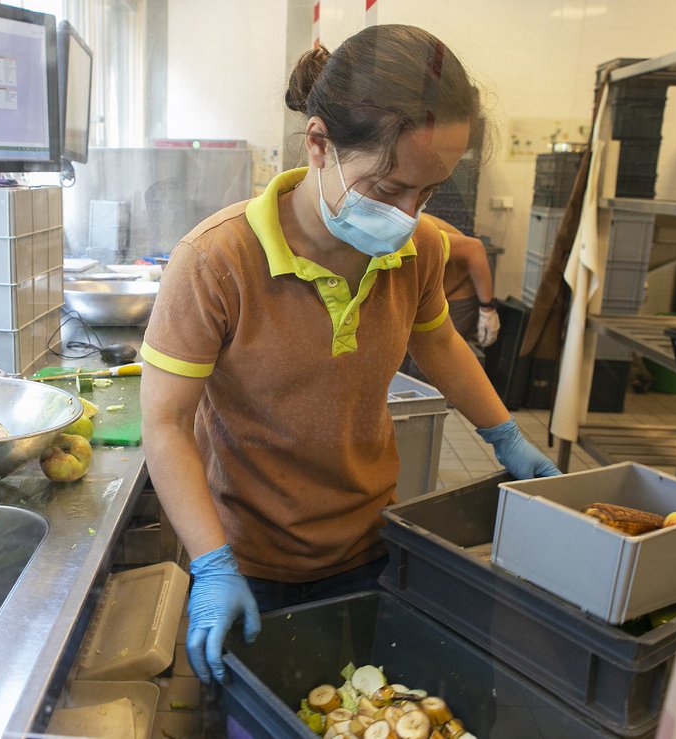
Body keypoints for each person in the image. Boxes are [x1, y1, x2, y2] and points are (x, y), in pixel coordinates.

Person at [139, 24, 560, 686]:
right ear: (318, 144)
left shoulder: (418, 248)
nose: (409, 213)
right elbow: (164, 423)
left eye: (428, 192)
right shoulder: (217, 262)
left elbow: (440, 341)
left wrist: (505, 434)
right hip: (250, 559)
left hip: (371, 542)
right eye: (389, 188)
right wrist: (213, 562)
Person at [426, 214, 500, 348]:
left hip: (460, 288)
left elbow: (474, 249)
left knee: (433, 351)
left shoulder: (417, 235)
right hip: (436, 291)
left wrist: (487, 308)